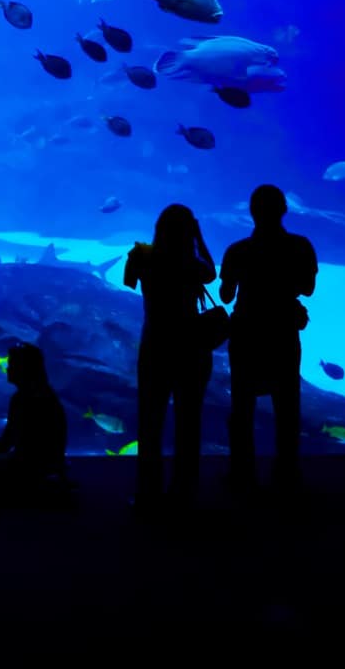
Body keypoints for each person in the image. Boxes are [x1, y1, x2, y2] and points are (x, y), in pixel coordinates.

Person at [220, 185, 318, 498]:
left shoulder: (237, 250)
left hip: (247, 331)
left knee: (242, 405)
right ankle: (287, 473)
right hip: (282, 331)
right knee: (287, 404)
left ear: (251, 212)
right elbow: (307, 288)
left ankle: (241, 472)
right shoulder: (301, 246)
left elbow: (225, 295)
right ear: (283, 210)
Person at [124, 205, 217, 510]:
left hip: (155, 347)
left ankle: (147, 494)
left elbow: (129, 281)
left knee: (150, 423)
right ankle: (183, 494)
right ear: (189, 231)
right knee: (189, 423)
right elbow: (211, 270)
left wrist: (142, 253)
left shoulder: (142, 256)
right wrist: (197, 237)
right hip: (191, 348)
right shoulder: (192, 264)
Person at [0, 343, 68, 508]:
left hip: (28, 465)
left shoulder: (24, 399)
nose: (8, 369)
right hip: (47, 463)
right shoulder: (45, 394)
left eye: (12, 365)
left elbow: (8, 440)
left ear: (24, 368)